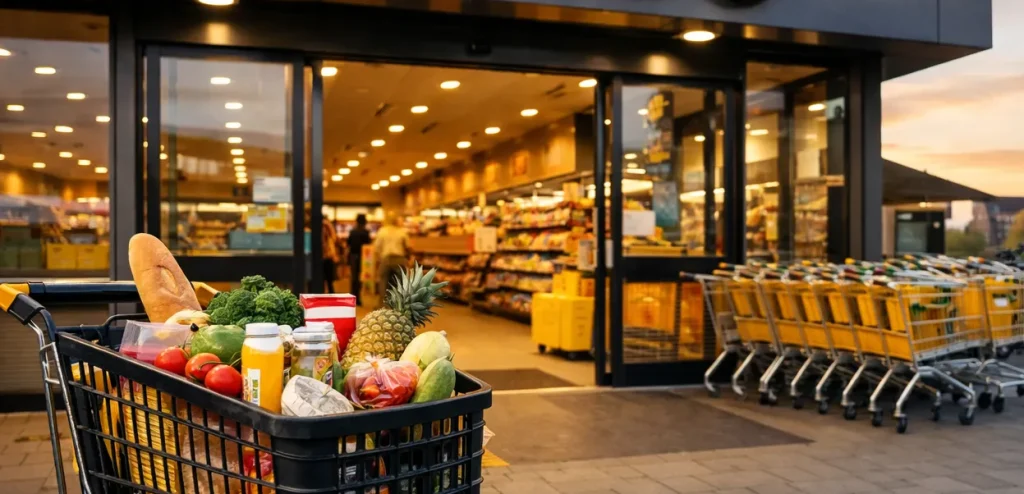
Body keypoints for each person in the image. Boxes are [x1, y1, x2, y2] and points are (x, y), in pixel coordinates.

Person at [373, 213, 409, 299]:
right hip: (399, 259)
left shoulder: (382, 231)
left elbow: (376, 248)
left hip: (386, 259)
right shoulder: (402, 232)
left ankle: (384, 304)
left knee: (383, 282)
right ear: (397, 221)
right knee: (400, 283)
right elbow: (408, 247)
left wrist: (378, 260)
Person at [347, 214, 372, 305]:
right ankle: (358, 299)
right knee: (361, 278)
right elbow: (368, 245)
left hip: (353, 256)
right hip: (363, 258)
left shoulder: (352, 231)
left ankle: (353, 297)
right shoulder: (365, 232)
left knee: (354, 278)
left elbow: (348, 244)